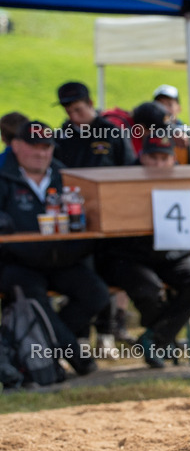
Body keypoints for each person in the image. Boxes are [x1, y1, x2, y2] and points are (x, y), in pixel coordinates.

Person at [0, 120, 107, 376]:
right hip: (16, 263)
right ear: (15, 146)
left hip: (62, 260)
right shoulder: (3, 176)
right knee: (33, 297)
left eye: (46, 147)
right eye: (34, 146)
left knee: (97, 295)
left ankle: (44, 349)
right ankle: (79, 360)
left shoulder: (65, 176)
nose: (41, 153)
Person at [96, 136, 190, 368]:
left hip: (171, 252)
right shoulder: (121, 181)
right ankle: (163, 338)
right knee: (148, 288)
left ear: (172, 159)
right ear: (142, 157)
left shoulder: (184, 180)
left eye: (164, 158)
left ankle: (156, 339)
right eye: (153, 158)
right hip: (129, 256)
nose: (158, 165)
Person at [54, 82, 137, 349]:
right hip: (76, 219)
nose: (72, 115)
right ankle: (79, 336)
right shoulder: (61, 136)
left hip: (111, 217)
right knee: (84, 274)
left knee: (109, 272)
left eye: (77, 108)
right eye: (67, 110)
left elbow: (129, 170)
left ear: (89, 103)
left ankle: (106, 332)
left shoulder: (112, 132)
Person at [54, 81, 134, 169]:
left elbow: (129, 167)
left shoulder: (113, 134)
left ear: (90, 103)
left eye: (78, 110)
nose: (74, 117)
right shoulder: (60, 138)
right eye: (68, 112)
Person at [152, 84, 190, 165]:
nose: (164, 109)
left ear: (179, 108)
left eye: (169, 104)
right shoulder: (148, 131)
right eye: (160, 105)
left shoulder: (187, 132)